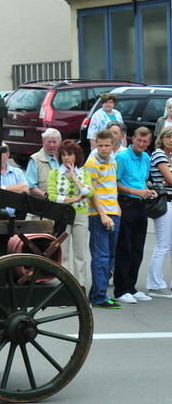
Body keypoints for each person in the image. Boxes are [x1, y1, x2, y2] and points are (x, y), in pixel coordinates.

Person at [113, 126, 158, 304]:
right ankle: (121, 289)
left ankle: (131, 286)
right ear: (133, 139)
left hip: (141, 205)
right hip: (126, 203)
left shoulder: (146, 157)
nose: (141, 144)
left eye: (145, 141)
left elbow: (143, 181)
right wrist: (135, 191)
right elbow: (114, 183)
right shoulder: (122, 157)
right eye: (139, 140)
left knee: (138, 249)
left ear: (149, 142)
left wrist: (148, 191)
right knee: (125, 248)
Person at [84, 129, 123, 309]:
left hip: (114, 211)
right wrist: (103, 214)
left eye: (107, 145)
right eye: (100, 145)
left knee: (111, 256)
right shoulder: (91, 163)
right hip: (99, 215)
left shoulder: (113, 161)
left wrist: (117, 208)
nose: (103, 149)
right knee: (101, 256)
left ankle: (98, 294)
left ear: (113, 145)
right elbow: (92, 193)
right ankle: (99, 297)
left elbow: (112, 186)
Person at [47, 140, 92, 289]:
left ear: (76, 156)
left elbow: (89, 192)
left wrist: (74, 177)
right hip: (62, 215)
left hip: (80, 215)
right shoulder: (54, 173)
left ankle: (80, 288)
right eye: (64, 154)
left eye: (70, 154)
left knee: (80, 255)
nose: (66, 158)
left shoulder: (83, 172)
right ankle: (64, 288)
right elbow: (52, 196)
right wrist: (72, 199)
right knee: (63, 254)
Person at [147, 126, 172, 298]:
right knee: (163, 245)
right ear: (161, 138)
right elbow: (169, 179)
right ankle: (155, 284)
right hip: (165, 203)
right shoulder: (158, 154)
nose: (171, 140)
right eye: (168, 137)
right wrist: (168, 179)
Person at [25, 128, 61, 198]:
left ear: (59, 143)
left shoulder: (63, 158)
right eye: (49, 142)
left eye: (54, 142)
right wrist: (47, 196)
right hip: (43, 203)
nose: (51, 145)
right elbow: (31, 187)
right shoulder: (35, 159)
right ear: (43, 142)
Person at [0, 143, 29, 217]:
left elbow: (26, 189)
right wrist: (17, 188)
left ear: (7, 154)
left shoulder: (17, 171)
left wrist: (3, 188)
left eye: (1, 152)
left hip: (17, 216)